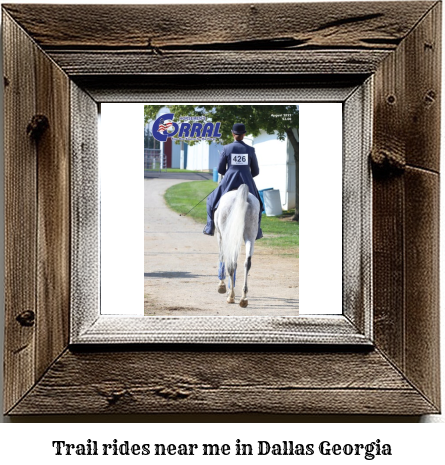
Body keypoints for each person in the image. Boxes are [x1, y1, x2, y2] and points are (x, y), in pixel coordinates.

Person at [203, 123, 263, 240]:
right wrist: (246, 175)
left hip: (229, 181)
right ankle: (258, 231)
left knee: (211, 200)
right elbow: (255, 171)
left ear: (232, 134)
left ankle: (210, 227)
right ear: (244, 134)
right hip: (247, 182)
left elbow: (220, 169)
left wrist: (229, 174)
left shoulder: (227, 148)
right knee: (259, 205)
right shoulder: (250, 150)